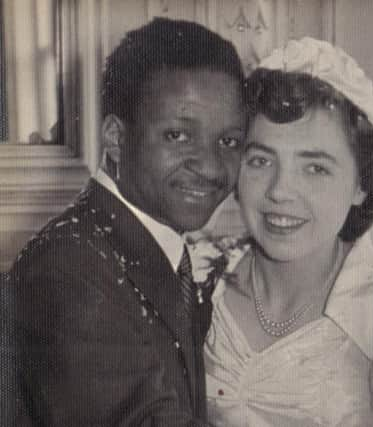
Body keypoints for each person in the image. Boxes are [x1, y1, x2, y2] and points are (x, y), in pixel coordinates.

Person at [202, 38, 373, 426]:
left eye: (315, 168)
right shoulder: (200, 276)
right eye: (261, 160)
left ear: (361, 184)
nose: (280, 191)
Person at [6, 18, 246, 426]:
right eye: (178, 136)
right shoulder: (68, 271)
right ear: (116, 138)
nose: (210, 165)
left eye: (228, 142)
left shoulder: (139, 244)